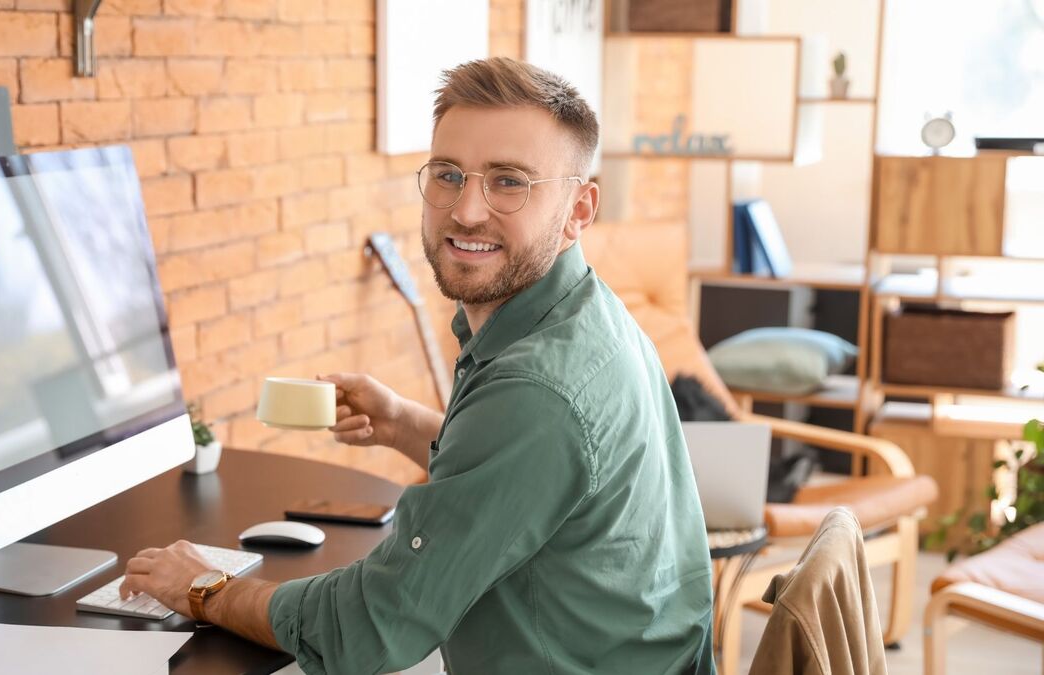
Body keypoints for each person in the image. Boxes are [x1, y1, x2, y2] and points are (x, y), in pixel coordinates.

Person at [120, 57, 715, 675]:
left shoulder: (536, 388)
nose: (466, 210)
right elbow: (527, 486)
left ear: (579, 209)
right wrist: (403, 423)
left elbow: (368, 630)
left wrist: (207, 590)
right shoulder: (587, 314)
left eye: (510, 181)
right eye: (449, 174)